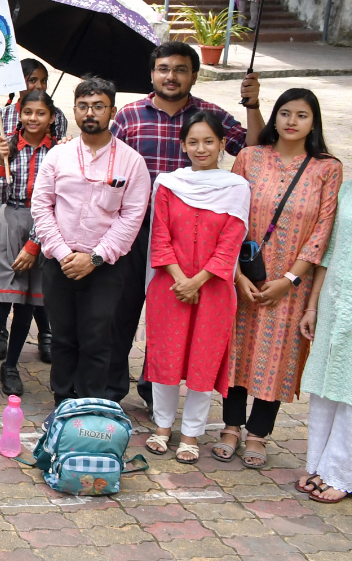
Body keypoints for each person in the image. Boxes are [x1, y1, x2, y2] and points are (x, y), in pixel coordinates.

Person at [108, 41, 262, 407]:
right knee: (122, 313)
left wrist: (252, 105)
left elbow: (254, 150)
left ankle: (153, 390)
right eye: (163, 69)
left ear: (194, 74)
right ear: (152, 73)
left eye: (180, 69)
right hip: (135, 230)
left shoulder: (211, 116)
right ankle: (111, 393)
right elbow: (105, 157)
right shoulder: (129, 115)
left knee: (169, 319)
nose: (171, 76)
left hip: (192, 241)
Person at [216, 89, 341, 468]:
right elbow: (230, 216)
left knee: (275, 356)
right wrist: (236, 275)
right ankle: (230, 427)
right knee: (236, 349)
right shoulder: (250, 158)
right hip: (244, 275)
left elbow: (324, 228)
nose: (291, 122)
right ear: (274, 117)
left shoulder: (327, 167)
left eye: (301, 115)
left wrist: (289, 279)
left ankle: (258, 433)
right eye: (284, 113)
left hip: (290, 282)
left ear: (313, 122)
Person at [31, 77, 150, 404]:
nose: (90, 113)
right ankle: (63, 405)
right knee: (64, 338)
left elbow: (131, 217)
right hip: (59, 263)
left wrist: (95, 258)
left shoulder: (131, 162)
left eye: (98, 106)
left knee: (98, 339)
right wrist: (61, 252)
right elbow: (41, 205)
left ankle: (91, 406)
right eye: (83, 106)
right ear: (74, 110)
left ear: (112, 110)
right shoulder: (59, 156)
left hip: (105, 267)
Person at [143, 112, 250, 464]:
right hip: (169, 286)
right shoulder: (169, 184)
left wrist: (198, 281)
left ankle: (191, 432)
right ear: (183, 145)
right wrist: (180, 280)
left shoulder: (237, 188)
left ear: (222, 144)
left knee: (204, 362)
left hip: (215, 289)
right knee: (166, 358)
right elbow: (160, 238)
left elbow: (230, 245)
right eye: (193, 142)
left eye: (208, 141)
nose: (200, 148)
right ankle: (162, 426)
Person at [0, 59, 67, 332]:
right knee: (5, 273)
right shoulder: (4, 115)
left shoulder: (58, 119)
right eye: (32, 80)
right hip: (4, 195)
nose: (38, 85)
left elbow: (58, 158)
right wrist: (4, 168)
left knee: (37, 282)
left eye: (43, 81)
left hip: (44, 209)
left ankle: (43, 331)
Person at [0, 89, 56, 397]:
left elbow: (58, 199)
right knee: (1, 302)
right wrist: (2, 162)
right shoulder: (8, 147)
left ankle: (11, 366)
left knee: (28, 306)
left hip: (43, 227)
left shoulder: (58, 152)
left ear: (52, 117)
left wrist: (36, 242)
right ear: (19, 115)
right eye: (28, 112)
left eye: (41, 113)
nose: (34, 118)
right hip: (9, 223)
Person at [298, 179, 352, 503]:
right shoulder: (347, 189)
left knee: (350, 390)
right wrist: (313, 305)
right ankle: (318, 464)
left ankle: (340, 473)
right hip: (335, 300)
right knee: (325, 386)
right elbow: (329, 252)